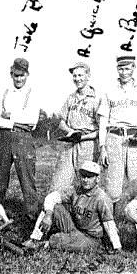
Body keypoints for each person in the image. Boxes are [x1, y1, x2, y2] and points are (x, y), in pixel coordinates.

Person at [22, 161, 122, 253]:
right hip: (74, 228)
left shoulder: (101, 198)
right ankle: (35, 239)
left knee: (64, 242)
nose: (86, 180)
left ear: (97, 179)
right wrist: (48, 215)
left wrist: (117, 246)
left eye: (90, 177)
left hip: (91, 238)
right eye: (83, 176)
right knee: (52, 206)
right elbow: (52, 197)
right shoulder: (76, 190)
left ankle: (46, 244)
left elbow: (109, 224)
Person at [98, 56, 137, 207]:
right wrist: (102, 147)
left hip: (136, 140)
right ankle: (110, 225)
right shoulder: (109, 91)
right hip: (114, 138)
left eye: (127, 68)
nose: (124, 72)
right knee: (112, 187)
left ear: (133, 68)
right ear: (117, 69)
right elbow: (103, 120)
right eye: (121, 69)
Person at [0, 58, 41, 222]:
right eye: (15, 75)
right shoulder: (4, 92)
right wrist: (16, 121)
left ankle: (32, 216)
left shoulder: (33, 93)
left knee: (27, 179)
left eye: (22, 75)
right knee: (0, 179)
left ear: (27, 74)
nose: (18, 79)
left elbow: (32, 119)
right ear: (11, 74)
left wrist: (9, 115)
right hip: (4, 137)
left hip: (24, 139)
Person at [51, 62, 101, 191]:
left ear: (88, 76)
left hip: (88, 144)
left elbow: (102, 130)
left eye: (80, 75)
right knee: (60, 181)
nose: (77, 79)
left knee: (85, 181)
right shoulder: (70, 97)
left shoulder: (96, 98)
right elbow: (61, 120)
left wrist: (82, 137)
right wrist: (70, 131)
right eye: (74, 76)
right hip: (70, 143)